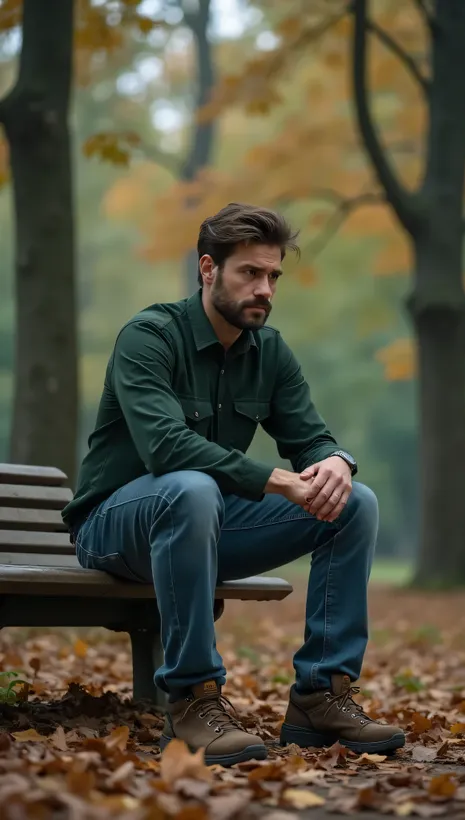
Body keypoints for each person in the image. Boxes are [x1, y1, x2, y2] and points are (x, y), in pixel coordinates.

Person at [62, 202, 405, 767]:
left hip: (202, 524)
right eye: (250, 272)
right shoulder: (149, 337)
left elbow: (311, 439)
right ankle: (194, 699)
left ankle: (321, 694)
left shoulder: (269, 352)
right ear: (207, 270)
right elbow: (166, 448)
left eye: (272, 276)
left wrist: (337, 461)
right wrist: (278, 481)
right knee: (191, 487)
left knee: (353, 504)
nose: (265, 288)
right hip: (113, 528)